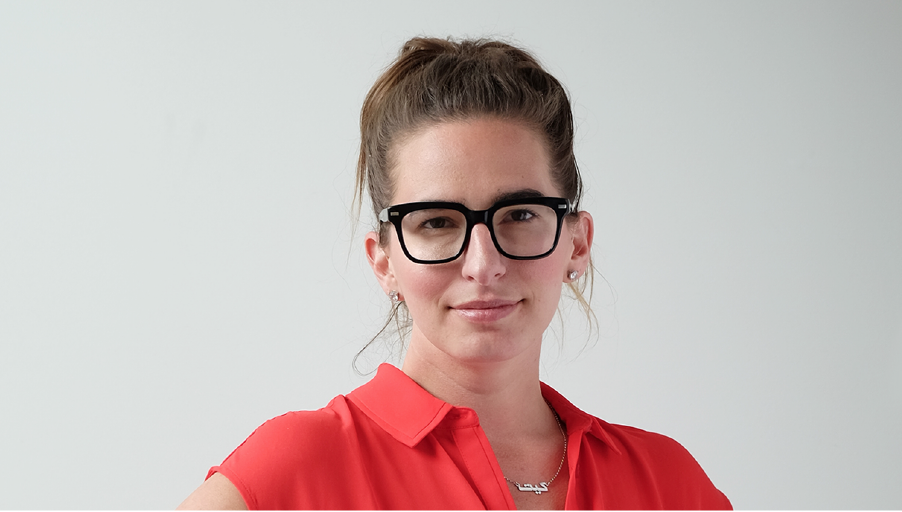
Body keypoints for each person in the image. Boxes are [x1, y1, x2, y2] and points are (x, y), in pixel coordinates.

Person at [179, 37, 731, 510]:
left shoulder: (668, 485)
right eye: (437, 222)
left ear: (577, 242)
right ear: (384, 259)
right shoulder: (296, 471)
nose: (484, 264)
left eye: (519, 215)